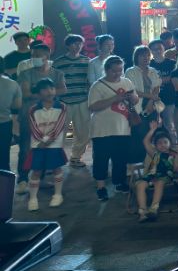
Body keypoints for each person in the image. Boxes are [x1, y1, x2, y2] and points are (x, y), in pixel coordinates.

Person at [16, 42, 67, 193]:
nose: (34, 58)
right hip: (29, 116)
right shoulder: (26, 73)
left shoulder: (57, 73)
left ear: (47, 56)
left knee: (46, 147)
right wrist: (48, 94)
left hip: (50, 117)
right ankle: (23, 179)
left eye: (37, 55)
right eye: (33, 55)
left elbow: (63, 89)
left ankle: (40, 178)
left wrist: (38, 93)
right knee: (26, 148)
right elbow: (25, 93)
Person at [89, 56, 139, 201]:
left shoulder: (126, 82)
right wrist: (114, 99)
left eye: (120, 70)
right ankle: (101, 187)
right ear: (106, 70)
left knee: (120, 158)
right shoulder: (97, 86)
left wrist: (132, 98)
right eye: (114, 71)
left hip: (122, 128)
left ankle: (119, 182)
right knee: (101, 159)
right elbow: (92, 106)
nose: (117, 74)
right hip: (102, 130)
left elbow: (135, 99)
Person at [23, 78, 68, 211]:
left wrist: (48, 140)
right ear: (38, 94)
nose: (49, 91)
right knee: (36, 170)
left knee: (56, 168)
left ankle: (58, 195)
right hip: (38, 145)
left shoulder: (62, 107)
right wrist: (42, 141)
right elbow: (34, 128)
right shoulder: (33, 109)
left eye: (52, 88)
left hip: (55, 144)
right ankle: (33, 198)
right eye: (45, 89)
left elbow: (60, 126)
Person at [53, 35, 92, 169]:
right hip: (64, 102)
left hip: (82, 101)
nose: (77, 46)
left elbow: (90, 81)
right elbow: (54, 82)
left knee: (84, 132)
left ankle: (76, 157)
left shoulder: (87, 61)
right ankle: (55, 160)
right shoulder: (58, 62)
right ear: (68, 45)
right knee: (60, 133)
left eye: (80, 44)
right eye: (74, 44)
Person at [125, 45, 163, 163]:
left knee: (151, 131)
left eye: (147, 55)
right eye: (142, 55)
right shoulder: (130, 71)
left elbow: (157, 87)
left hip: (152, 105)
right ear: (136, 57)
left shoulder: (153, 71)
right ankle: (138, 160)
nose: (146, 58)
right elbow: (132, 90)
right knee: (139, 132)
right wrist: (151, 97)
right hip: (137, 105)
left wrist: (151, 101)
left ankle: (150, 159)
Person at [135, 121, 178, 222]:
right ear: (155, 146)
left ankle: (153, 209)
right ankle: (142, 211)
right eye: (159, 143)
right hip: (150, 175)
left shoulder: (174, 155)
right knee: (140, 185)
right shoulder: (155, 153)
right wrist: (153, 129)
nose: (162, 145)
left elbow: (176, 169)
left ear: (170, 143)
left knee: (159, 183)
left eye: (165, 142)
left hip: (165, 176)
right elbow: (145, 141)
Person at [149, 39, 177, 134]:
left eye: (159, 48)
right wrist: (164, 79)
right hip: (153, 100)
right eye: (154, 49)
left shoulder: (172, 63)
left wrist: (157, 81)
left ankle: (172, 143)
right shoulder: (148, 65)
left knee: (170, 125)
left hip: (169, 98)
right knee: (154, 126)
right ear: (151, 51)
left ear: (164, 48)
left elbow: (173, 79)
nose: (157, 51)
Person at [0, 71, 21, 173]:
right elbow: (17, 105)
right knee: (4, 156)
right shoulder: (13, 84)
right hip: (5, 123)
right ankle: (4, 181)